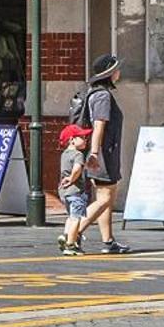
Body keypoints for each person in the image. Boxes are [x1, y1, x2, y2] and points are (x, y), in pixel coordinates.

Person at [62, 54, 132, 254]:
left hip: (100, 152)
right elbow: (99, 125)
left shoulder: (95, 93)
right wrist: (94, 152)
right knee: (105, 198)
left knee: (104, 197)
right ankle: (71, 235)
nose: (119, 73)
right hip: (102, 154)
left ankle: (108, 241)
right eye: (116, 69)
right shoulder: (102, 96)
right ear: (109, 73)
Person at [55, 123, 92, 255]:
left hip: (64, 192)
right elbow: (76, 169)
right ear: (72, 140)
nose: (86, 139)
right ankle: (70, 245)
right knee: (76, 218)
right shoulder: (78, 154)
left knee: (70, 217)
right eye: (82, 137)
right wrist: (72, 178)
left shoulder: (64, 154)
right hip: (75, 191)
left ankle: (65, 236)